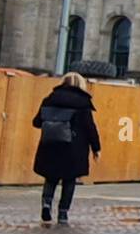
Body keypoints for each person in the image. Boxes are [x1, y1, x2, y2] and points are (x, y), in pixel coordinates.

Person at [31, 72, 101, 225]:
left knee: (50, 177)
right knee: (69, 180)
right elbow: (90, 128)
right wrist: (96, 148)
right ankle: (63, 213)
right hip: (73, 148)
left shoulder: (49, 99)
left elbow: (36, 122)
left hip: (50, 145)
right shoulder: (82, 102)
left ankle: (46, 204)